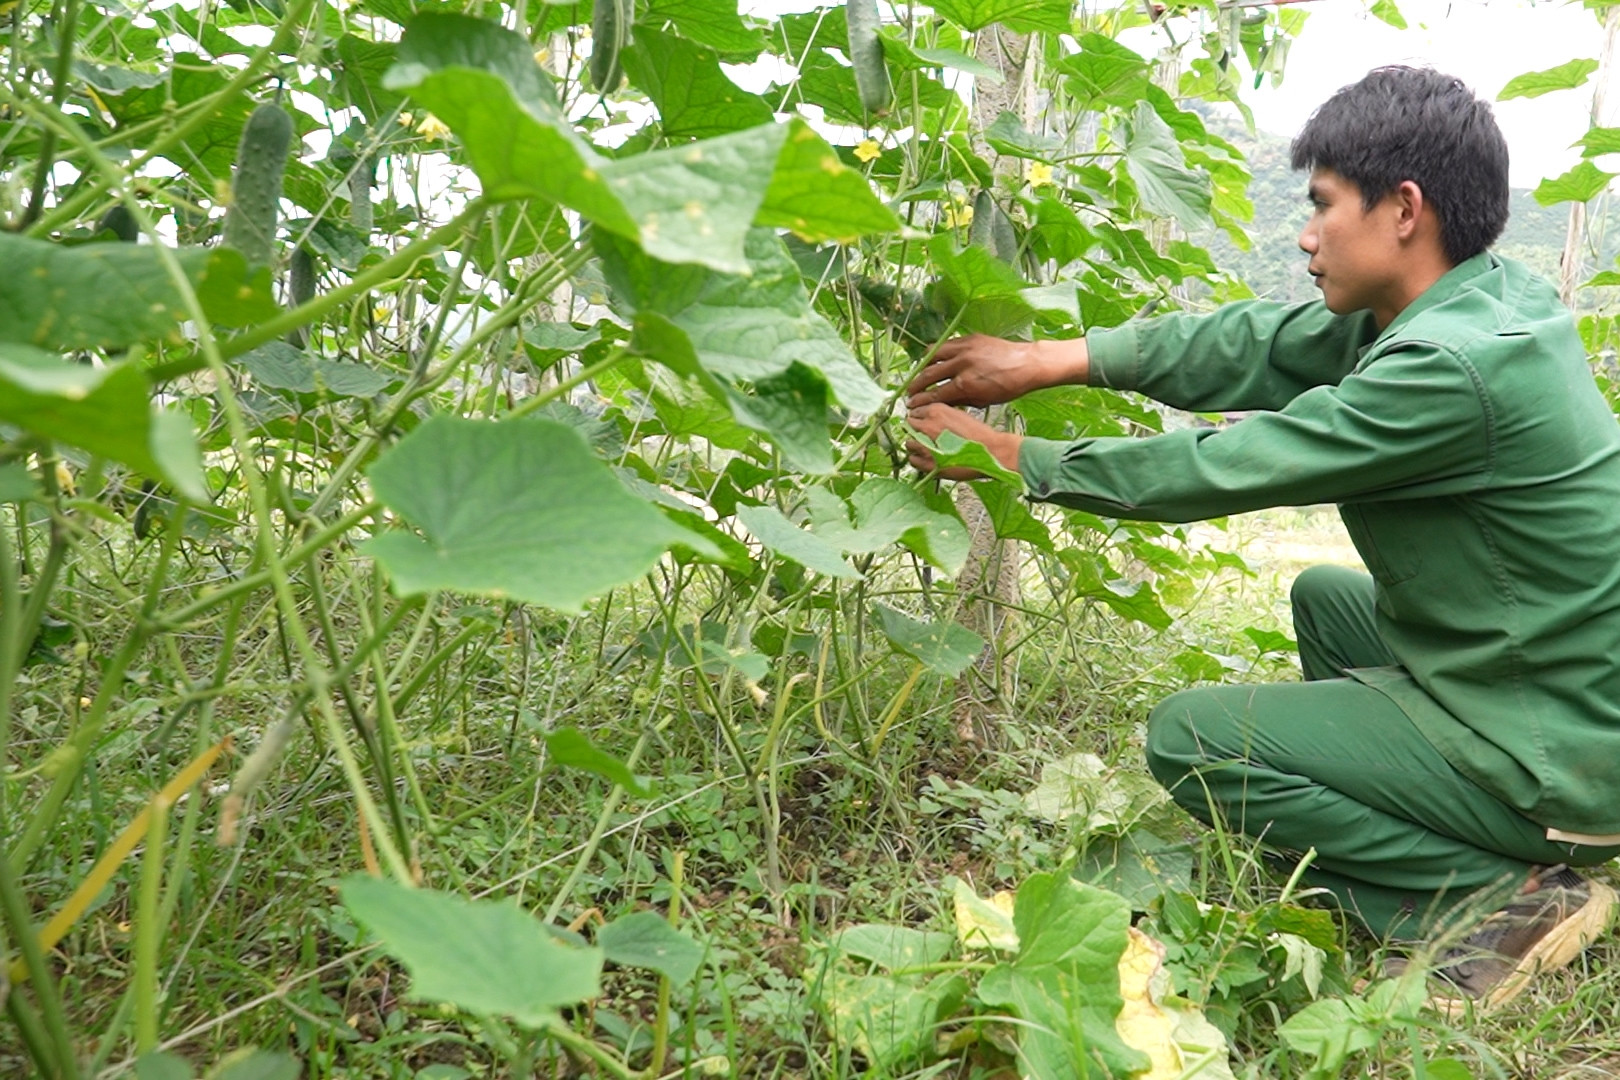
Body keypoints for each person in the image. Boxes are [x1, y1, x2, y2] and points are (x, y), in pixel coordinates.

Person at [905, 66, 1619, 1010]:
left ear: (1404, 209)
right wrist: (1055, 358)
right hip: (1562, 678)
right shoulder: (1476, 300)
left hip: (1563, 742)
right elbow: (1254, 345)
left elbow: (1226, 468)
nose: (1306, 235)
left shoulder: (1450, 369)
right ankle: (1462, 837)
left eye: (1323, 206)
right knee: (1324, 599)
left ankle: (1510, 892)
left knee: (1194, 737)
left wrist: (1019, 459)